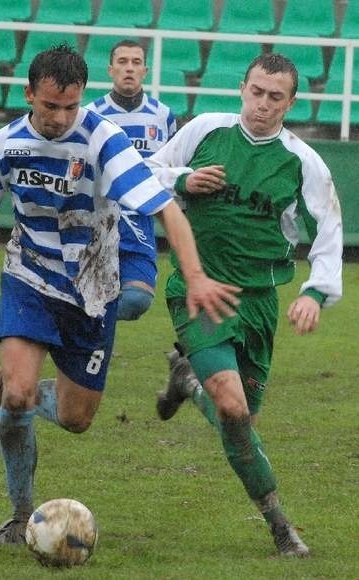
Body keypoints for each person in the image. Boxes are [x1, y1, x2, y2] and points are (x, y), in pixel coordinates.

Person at [0, 43, 241, 547]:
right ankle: (19, 512)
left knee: (76, 419)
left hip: (93, 287)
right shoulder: (5, 144)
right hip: (29, 276)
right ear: (29, 94)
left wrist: (196, 275)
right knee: (19, 393)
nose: (61, 117)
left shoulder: (103, 141)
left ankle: (11, 399)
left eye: (71, 106)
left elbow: (167, 210)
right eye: (50, 106)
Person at [147, 53, 343, 557]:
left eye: (275, 97)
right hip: (199, 289)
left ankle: (188, 382)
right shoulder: (207, 130)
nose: (263, 104)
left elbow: (329, 231)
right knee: (231, 405)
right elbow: (145, 173)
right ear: (243, 88)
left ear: (291, 102)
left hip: (258, 303)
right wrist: (183, 180)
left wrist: (316, 292)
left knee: (241, 423)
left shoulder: (303, 162)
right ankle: (281, 527)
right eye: (256, 92)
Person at [86, 39, 177, 321]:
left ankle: (84, 331)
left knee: (137, 299)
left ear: (145, 70)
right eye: (122, 62)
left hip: (139, 219)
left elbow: (172, 165)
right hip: (99, 219)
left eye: (136, 62)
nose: (129, 68)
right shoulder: (91, 114)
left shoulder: (163, 116)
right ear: (110, 69)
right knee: (86, 296)